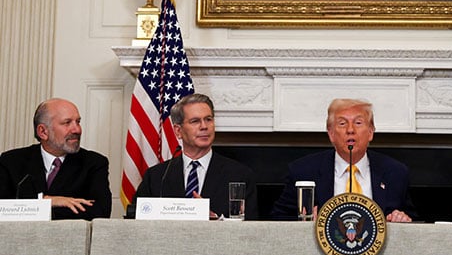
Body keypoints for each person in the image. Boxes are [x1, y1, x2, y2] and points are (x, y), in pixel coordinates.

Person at [271, 98, 415, 222]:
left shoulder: (395, 172)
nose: (350, 130)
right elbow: (276, 219)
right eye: (342, 123)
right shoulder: (303, 170)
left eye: (358, 123)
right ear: (331, 134)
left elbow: (416, 222)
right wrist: (303, 220)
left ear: (371, 132)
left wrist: (402, 218)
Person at [131, 93, 258, 219]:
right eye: (195, 121)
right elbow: (135, 221)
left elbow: (252, 229)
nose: (204, 126)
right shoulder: (156, 177)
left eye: (208, 119)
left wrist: (217, 221)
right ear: (178, 131)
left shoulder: (240, 175)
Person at [0, 98, 112, 220]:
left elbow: (100, 212)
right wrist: (48, 201)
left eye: (78, 122)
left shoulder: (94, 163)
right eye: (67, 123)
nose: (77, 130)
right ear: (43, 132)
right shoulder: (11, 161)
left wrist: (33, 206)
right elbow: (3, 208)